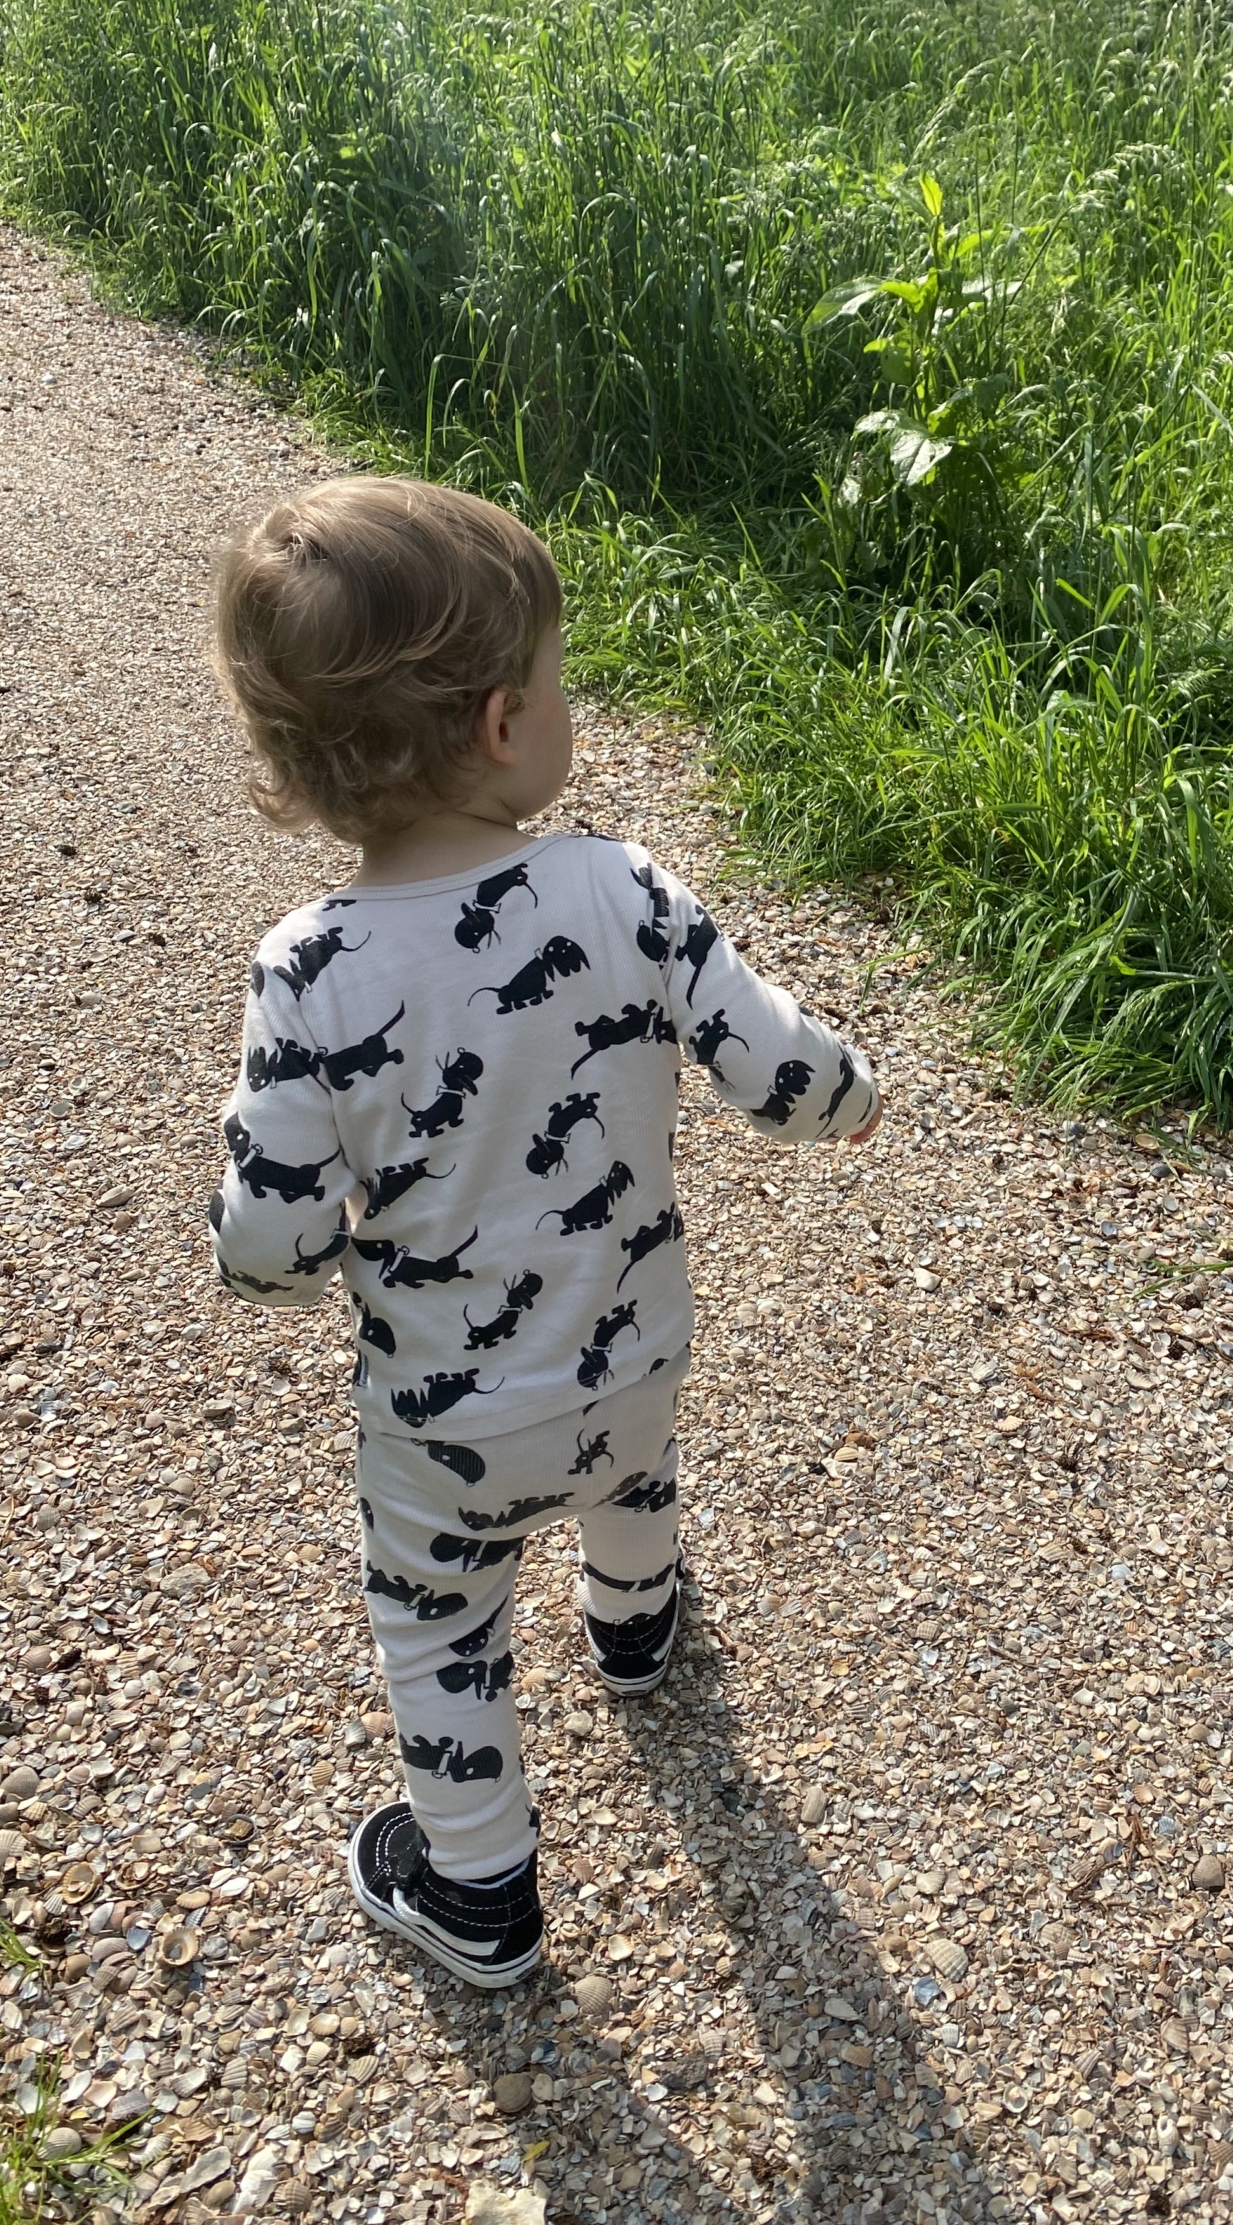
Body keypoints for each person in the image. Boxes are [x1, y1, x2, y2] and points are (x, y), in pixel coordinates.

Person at [206, 476, 881, 1988]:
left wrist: (301, 1233)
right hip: (633, 1353)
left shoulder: (306, 972)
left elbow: (266, 1246)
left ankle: (478, 1890)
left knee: (439, 1627)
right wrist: (857, 1098)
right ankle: (635, 1624)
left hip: (448, 1424)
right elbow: (783, 1075)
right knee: (629, 1460)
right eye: (564, 683)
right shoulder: (621, 888)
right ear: (506, 725)